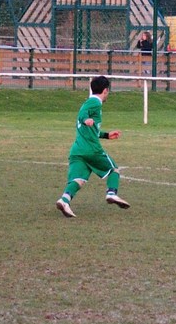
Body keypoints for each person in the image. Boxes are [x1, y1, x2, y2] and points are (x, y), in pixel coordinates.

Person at [56, 76, 131, 218]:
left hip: (78, 150)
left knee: (78, 179)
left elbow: (91, 130)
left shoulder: (90, 104)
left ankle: (64, 200)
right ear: (105, 90)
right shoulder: (94, 102)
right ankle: (111, 193)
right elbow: (82, 114)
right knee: (113, 170)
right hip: (91, 150)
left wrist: (106, 135)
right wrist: (85, 119)